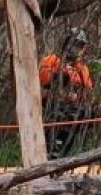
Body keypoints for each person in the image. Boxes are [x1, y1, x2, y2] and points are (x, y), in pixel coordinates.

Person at [39, 28, 94, 157]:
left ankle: (61, 155)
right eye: (77, 44)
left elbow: (87, 90)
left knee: (86, 114)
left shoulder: (82, 68)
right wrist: (58, 78)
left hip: (71, 111)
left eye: (82, 46)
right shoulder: (51, 60)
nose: (79, 49)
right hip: (50, 108)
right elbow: (42, 82)